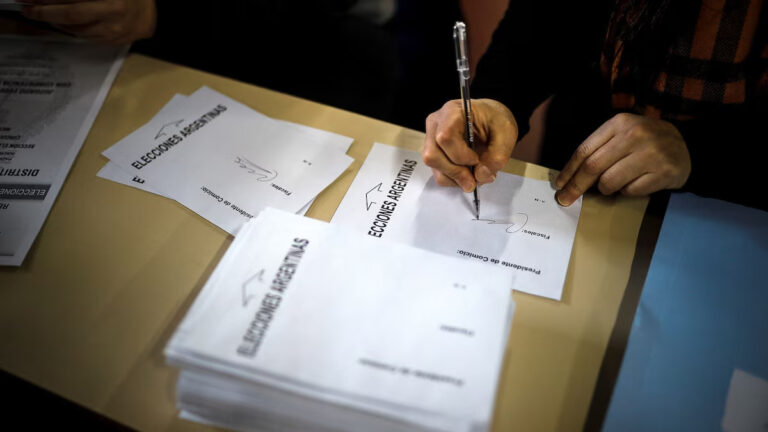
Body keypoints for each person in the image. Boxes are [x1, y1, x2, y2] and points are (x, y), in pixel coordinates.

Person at [423, 0, 767, 209]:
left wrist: (697, 150)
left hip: (736, 201)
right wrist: (497, 100)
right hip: (582, 165)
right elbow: (545, 16)